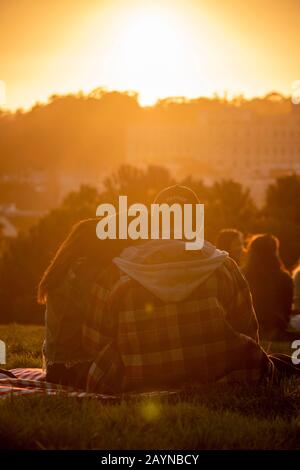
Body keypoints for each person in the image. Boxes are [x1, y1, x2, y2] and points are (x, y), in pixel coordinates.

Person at [85, 186, 278, 394]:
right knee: (277, 362)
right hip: (221, 378)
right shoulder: (225, 266)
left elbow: (94, 341)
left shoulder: (117, 271)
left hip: (135, 381)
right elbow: (247, 328)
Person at [38, 218, 128, 388]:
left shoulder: (65, 267)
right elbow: (102, 315)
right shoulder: (82, 273)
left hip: (55, 366)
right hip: (72, 370)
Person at [244, 234, 293, 338]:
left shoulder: (240, 274)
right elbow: (286, 311)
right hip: (276, 329)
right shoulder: (284, 278)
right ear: (275, 252)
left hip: (247, 328)